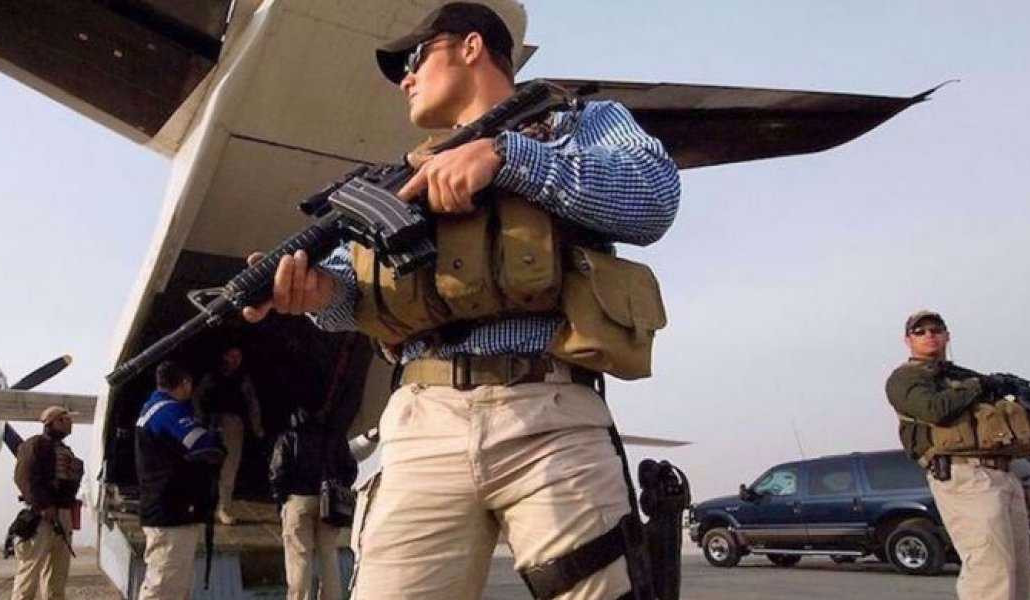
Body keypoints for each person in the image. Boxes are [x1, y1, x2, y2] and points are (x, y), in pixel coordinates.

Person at [243, 3, 680, 597]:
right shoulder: (400, 178)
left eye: (416, 59)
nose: (406, 79)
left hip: (550, 414)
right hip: (422, 421)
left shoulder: (574, 122)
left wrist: (508, 157)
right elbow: (354, 291)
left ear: (471, 47)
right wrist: (319, 292)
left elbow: (653, 196)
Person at [886, 310, 1030, 600]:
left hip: (1002, 472)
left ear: (947, 336)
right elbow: (933, 409)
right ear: (908, 340)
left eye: (936, 330)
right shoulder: (906, 378)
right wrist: (981, 385)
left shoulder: (960, 377)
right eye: (920, 331)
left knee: (1017, 570)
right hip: (964, 476)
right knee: (989, 570)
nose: (929, 335)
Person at [135, 360, 225, 600]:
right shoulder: (168, 411)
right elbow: (202, 444)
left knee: (175, 587)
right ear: (185, 383)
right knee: (164, 588)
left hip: (166, 509)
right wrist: (215, 437)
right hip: (172, 512)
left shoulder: (151, 408)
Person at [269, 408, 358, 600]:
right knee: (329, 557)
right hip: (330, 503)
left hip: (298, 499)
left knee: (300, 558)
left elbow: (277, 472)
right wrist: (337, 486)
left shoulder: (289, 437)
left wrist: (282, 500)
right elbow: (350, 469)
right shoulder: (335, 435)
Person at [11, 406, 84, 600]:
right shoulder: (35, 445)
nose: (70, 424)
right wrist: (43, 506)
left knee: (57, 576)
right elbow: (24, 478)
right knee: (29, 573)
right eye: (66, 420)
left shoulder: (66, 451)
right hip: (41, 517)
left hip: (63, 515)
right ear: (54, 422)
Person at [193, 345, 264, 524]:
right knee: (206, 467)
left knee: (229, 468)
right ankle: (202, 506)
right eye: (231, 356)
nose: (235, 360)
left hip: (233, 424)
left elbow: (252, 403)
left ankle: (224, 508)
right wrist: (198, 420)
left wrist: (256, 426)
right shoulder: (211, 376)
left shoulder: (243, 379)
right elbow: (197, 398)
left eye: (238, 356)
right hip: (210, 424)